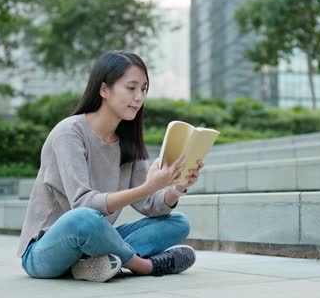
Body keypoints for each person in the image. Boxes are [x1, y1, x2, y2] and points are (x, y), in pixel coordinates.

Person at [16, 50, 203, 282]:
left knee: (178, 223)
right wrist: (148, 187)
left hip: (92, 241)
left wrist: (176, 187)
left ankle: (93, 264)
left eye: (144, 89)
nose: (139, 97)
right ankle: (144, 266)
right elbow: (82, 203)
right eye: (131, 88)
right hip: (44, 250)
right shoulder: (69, 133)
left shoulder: (128, 141)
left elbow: (148, 205)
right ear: (104, 89)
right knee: (84, 218)